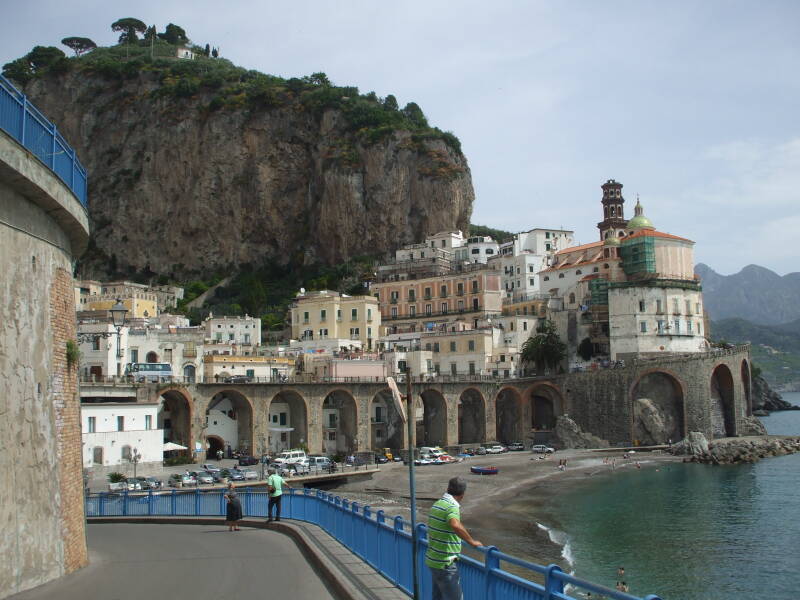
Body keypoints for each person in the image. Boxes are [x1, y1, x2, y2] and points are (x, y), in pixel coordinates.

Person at [425, 477, 483, 600]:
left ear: (448, 489)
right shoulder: (452, 506)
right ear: (462, 494)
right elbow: (455, 524)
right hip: (445, 563)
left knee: (438, 597)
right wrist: (471, 541)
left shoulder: (438, 504)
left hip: (433, 559)